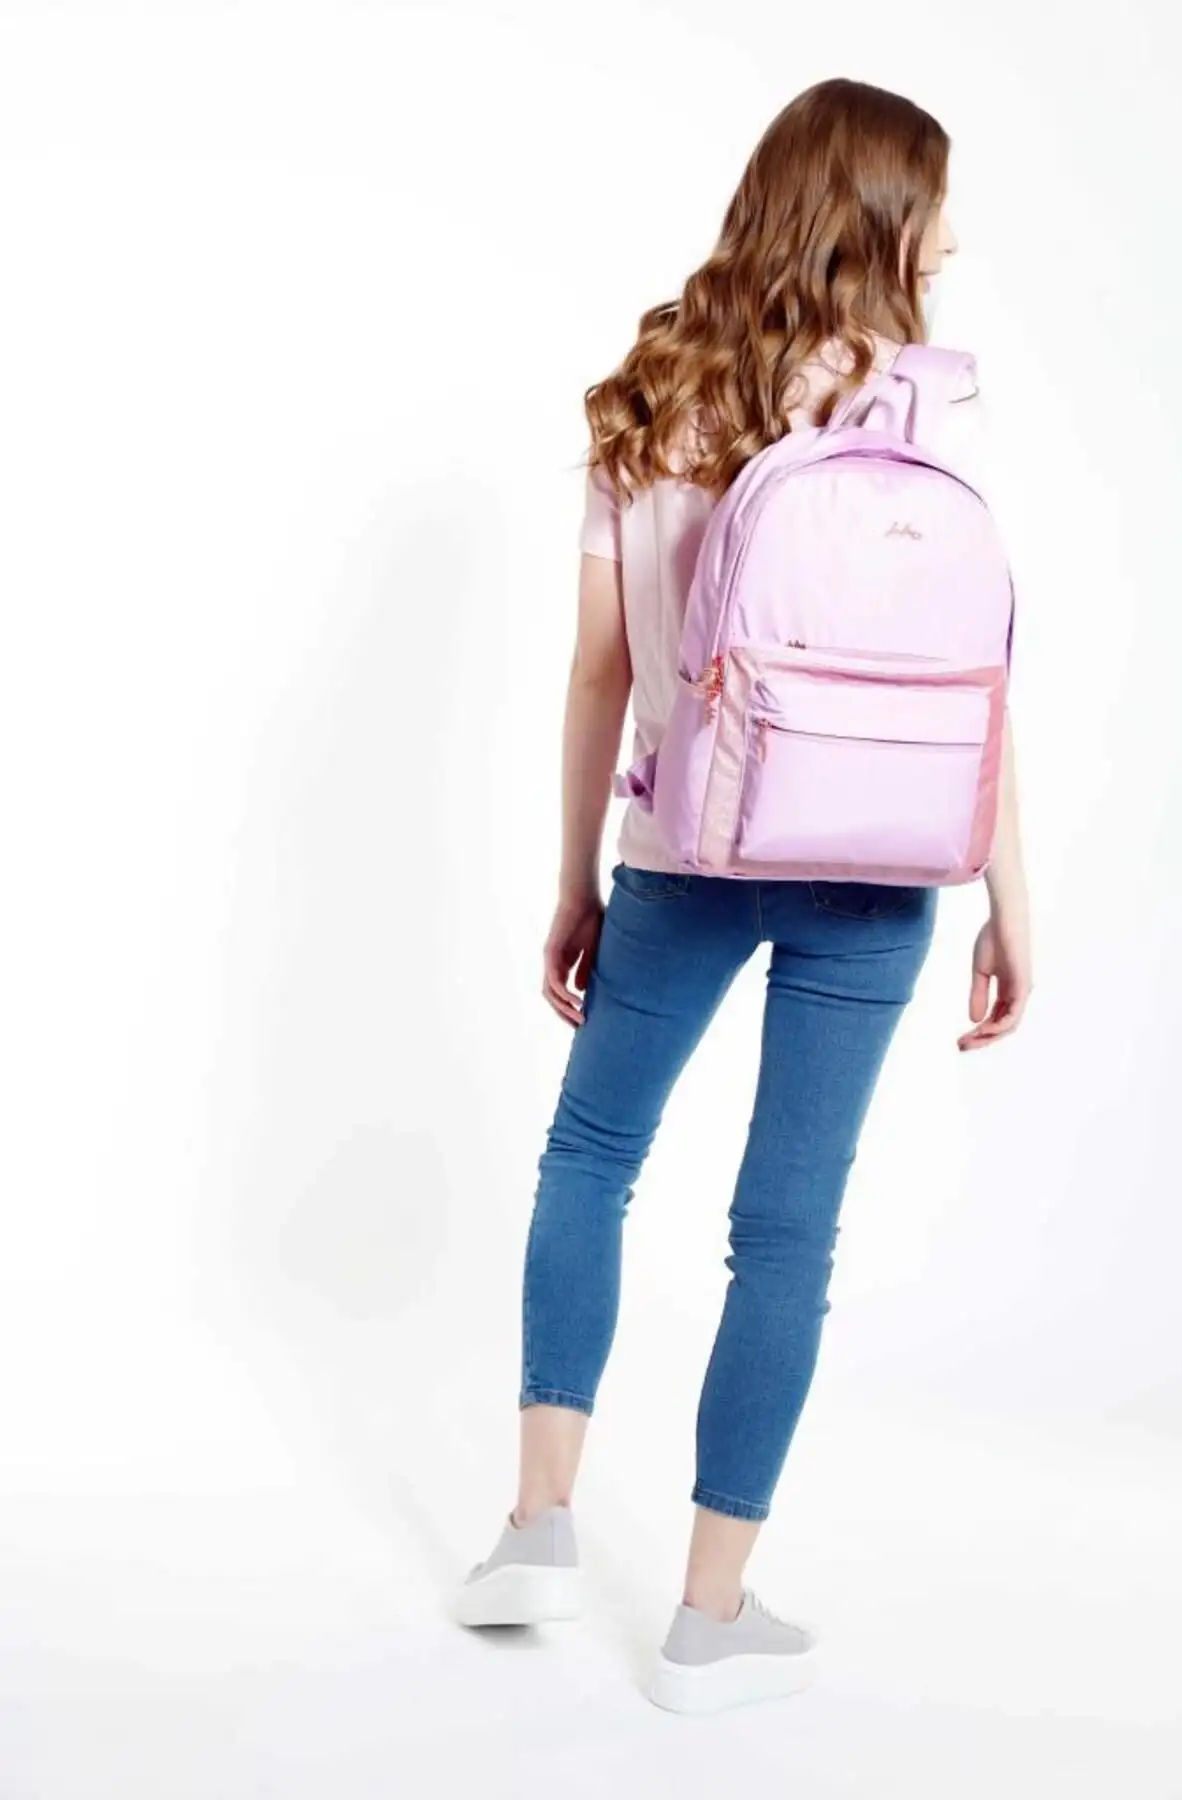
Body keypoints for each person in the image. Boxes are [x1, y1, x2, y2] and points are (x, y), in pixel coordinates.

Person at [456, 77, 1032, 1714]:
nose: (953, 238)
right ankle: (710, 1619)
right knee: (788, 1230)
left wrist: (575, 876)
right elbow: (977, 682)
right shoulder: (921, 409)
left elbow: (599, 670)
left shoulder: (653, 394)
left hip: (686, 852)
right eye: (936, 204)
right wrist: (1012, 900)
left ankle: (540, 1528)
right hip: (881, 869)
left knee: (593, 1156)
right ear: (882, 217)